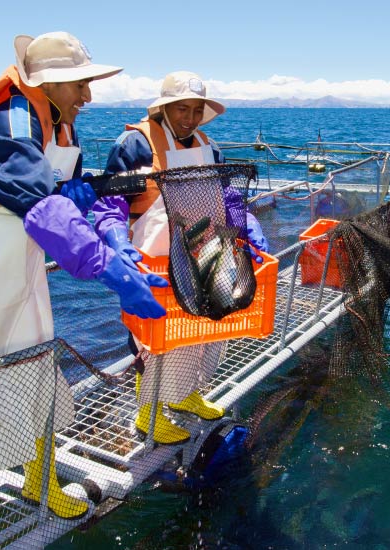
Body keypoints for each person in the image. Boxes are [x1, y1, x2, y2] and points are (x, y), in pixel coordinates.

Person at [0, 32, 167, 550]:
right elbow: (43, 206)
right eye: (81, 84)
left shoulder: (57, 121)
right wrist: (106, 269)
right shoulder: (9, 119)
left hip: (25, 267)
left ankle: (40, 479)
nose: (88, 96)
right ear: (50, 82)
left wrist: (114, 240)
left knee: (35, 370)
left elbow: (71, 196)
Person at [95, 71, 269, 445]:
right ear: (164, 108)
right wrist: (114, 241)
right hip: (156, 252)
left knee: (205, 326)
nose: (189, 118)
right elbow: (110, 201)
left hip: (206, 250)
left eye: (196, 110)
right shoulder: (135, 143)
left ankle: (187, 393)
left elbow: (228, 197)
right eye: (181, 109)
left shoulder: (207, 144)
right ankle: (148, 413)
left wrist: (246, 224)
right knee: (157, 334)